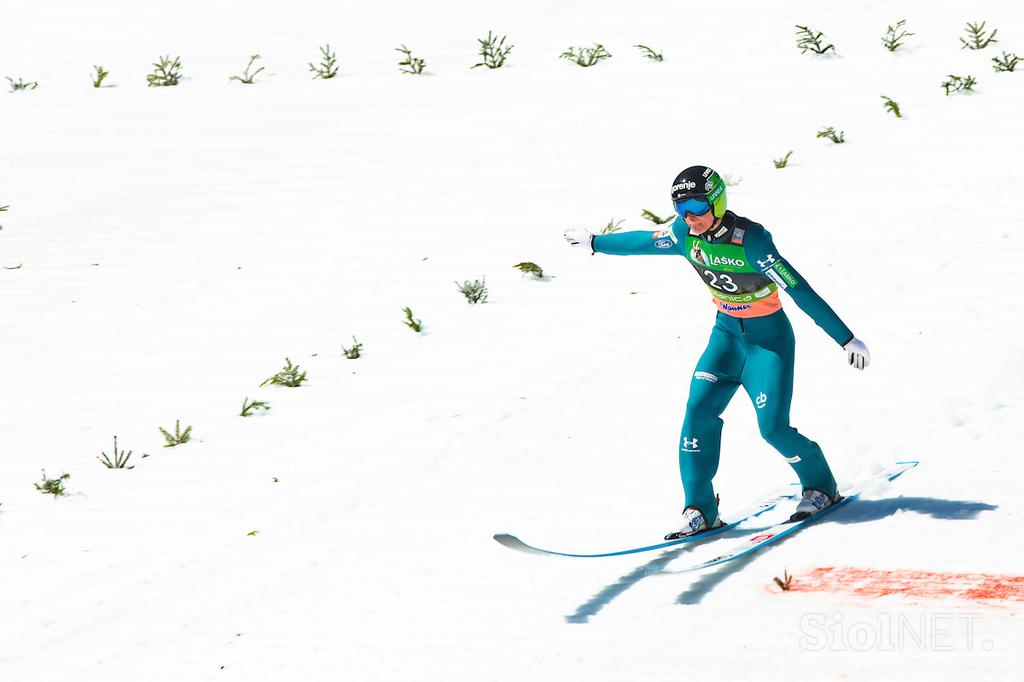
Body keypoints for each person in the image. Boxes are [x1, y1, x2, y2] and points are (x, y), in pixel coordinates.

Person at [563, 165, 870, 539]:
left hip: (768, 341)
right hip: (725, 338)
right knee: (698, 412)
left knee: (772, 429)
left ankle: (820, 485)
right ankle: (700, 508)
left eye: (696, 206)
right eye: (680, 208)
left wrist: (845, 338)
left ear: (717, 201)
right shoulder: (684, 234)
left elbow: (798, 288)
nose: (688, 216)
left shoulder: (751, 241)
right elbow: (644, 241)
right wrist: (596, 242)